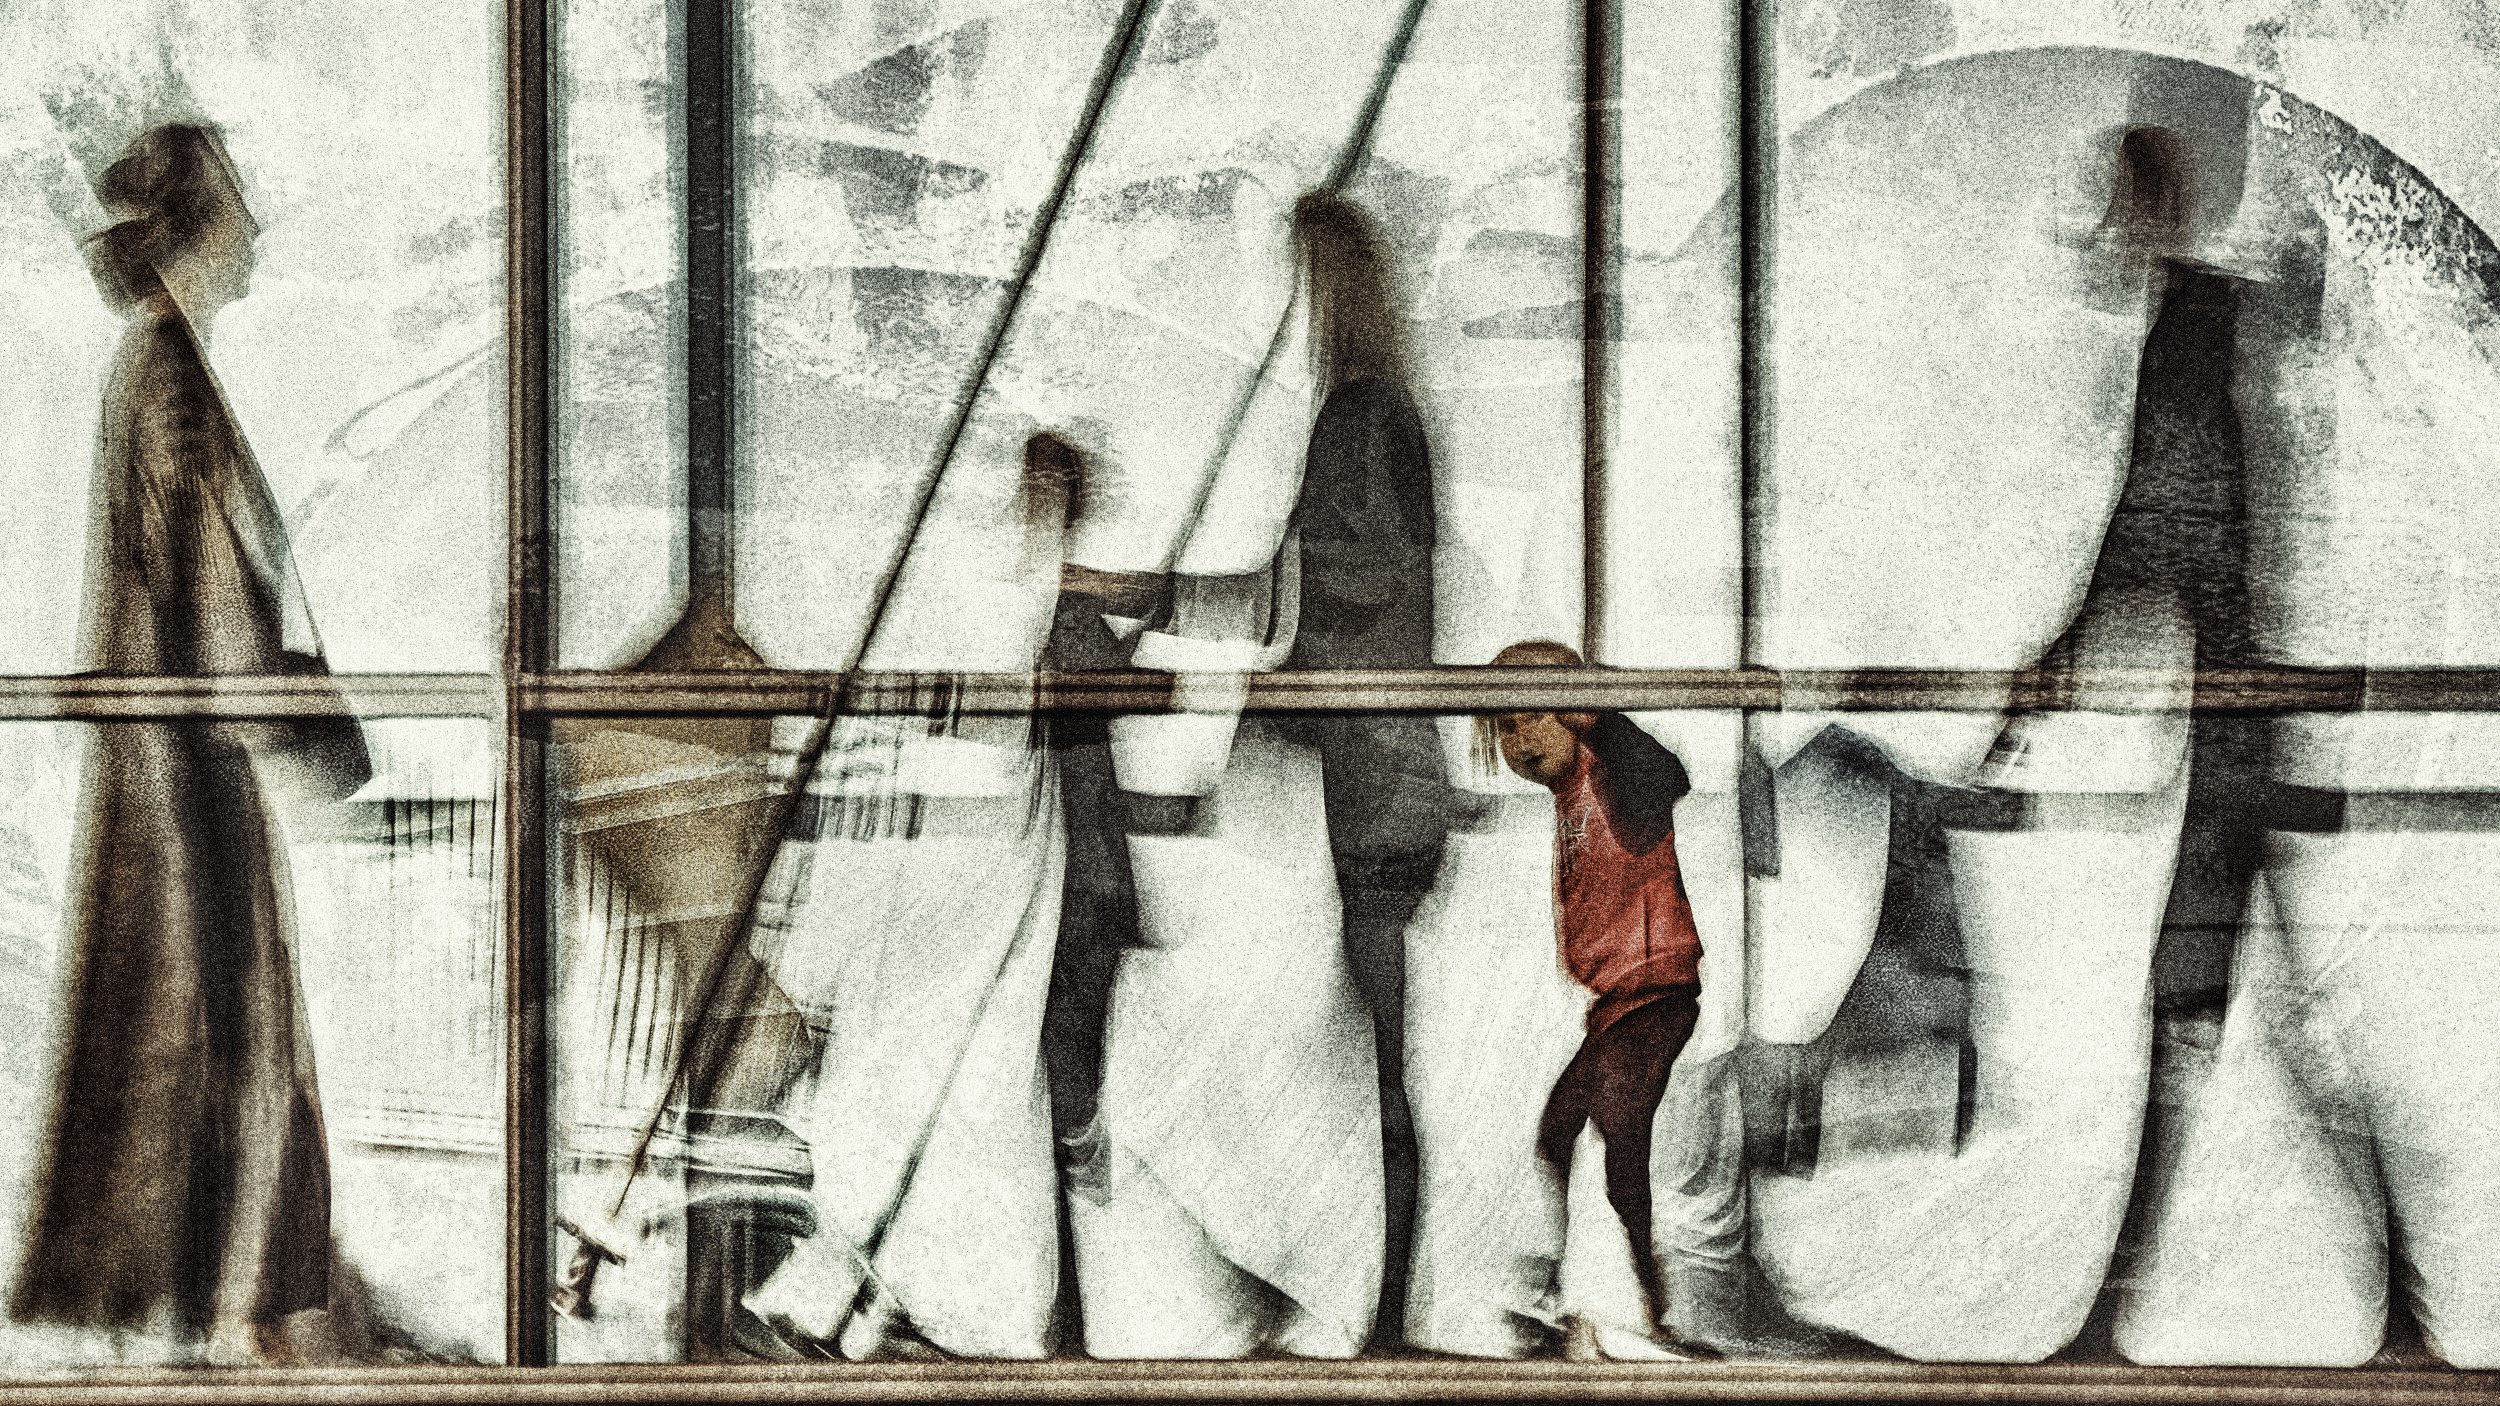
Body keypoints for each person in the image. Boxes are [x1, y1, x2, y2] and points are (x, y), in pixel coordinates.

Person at [13, 122, 369, 1366]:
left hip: (172, 766)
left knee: (186, 1041)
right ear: (197, 228)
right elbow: (220, 605)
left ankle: (207, 1312)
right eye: (237, 207)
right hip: (192, 782)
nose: (256, 230)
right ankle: (229, 1314)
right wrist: (311, 743)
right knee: (221, 1040)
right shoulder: (168, 376)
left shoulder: (151, 364)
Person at [1284, 188, 1483, 1351]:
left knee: (1385, 1066)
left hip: (1376, 776)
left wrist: (1277, 644)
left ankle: (1393, 1302)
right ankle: (1389, 1294)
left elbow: (1364, 584)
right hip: (1384, 769)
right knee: (1381, 1057)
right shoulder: (1384, 411)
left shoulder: (1357, 416)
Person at [1481, 640, 1705, 1358]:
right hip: (1617, 1006)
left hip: (1654, 993)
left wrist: (1599, 720)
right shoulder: (1569, 796)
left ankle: (1645, 1314)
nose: (1521, 740)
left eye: (1534, 717)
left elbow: (1663, 777)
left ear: (1576, 714)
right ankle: (1597, 1298)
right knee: (1559, 1132)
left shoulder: (1609, 776)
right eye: (1505, 727)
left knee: (1618, 1148)